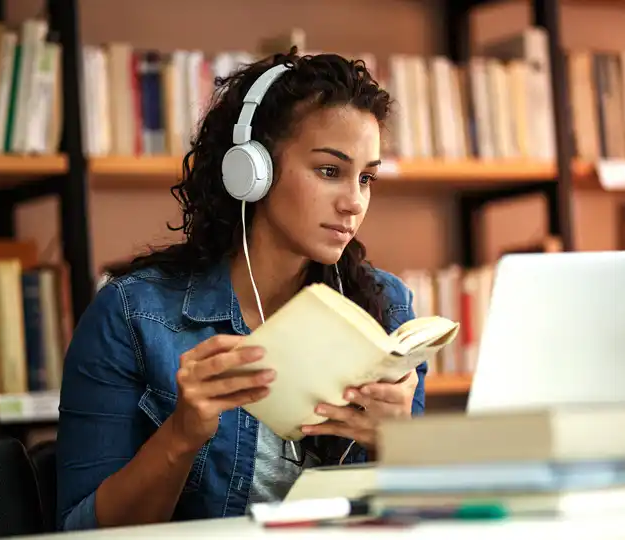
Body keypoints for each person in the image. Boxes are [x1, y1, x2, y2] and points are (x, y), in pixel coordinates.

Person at [55, 48, 428, 531]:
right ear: (253, 171)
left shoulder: (386, 307)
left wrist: (397, 444)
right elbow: (81, 530)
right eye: (329, 171)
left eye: (367, 177)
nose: (354, 202)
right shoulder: (131, 315)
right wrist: (182, 434)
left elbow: (417, 519)